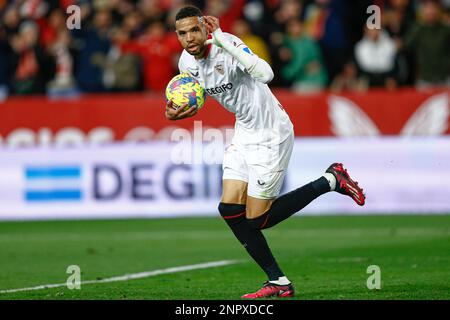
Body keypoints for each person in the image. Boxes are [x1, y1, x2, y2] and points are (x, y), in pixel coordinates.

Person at [165, 6, 366, 299]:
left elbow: (267, 73)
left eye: (195, 29)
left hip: (272, 132)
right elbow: (205, 93)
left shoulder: (227, 44)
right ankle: (278, 281)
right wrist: (180, 111)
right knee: (229, 209)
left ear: (205, 28)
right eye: (183, 33)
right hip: (244, 131)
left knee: (258, 220)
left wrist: (221, 38)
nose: (189, 37)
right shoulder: (187, 63)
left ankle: (331, 180)